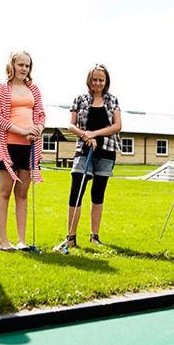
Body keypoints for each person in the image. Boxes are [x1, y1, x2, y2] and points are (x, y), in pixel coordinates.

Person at [54, 64, 122, 253]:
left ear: (106, 81)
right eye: (94, 79)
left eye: (101, 80)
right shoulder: (80, 99)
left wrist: (94, 134)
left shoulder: (112, 100)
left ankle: (95, 236)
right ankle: (71, 237)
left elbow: (117, 126)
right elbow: (71, 125)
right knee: (77, 189)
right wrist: (86, 136)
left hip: (106, 151)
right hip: (84, 150)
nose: (98, 83)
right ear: (89, 80)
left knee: (98, 194)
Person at [0, 51, 46, 251]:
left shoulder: (34, 90)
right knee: (5, 192)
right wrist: (22, 131)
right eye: (21, 65)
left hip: (29, 148)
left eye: (27, 66)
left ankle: (22, 241)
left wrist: (37, 129)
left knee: (22, 194)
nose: (24, 69)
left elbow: (40, 114)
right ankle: (3, 241)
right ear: (12, 65)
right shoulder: (1, 89)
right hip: (8, 146)